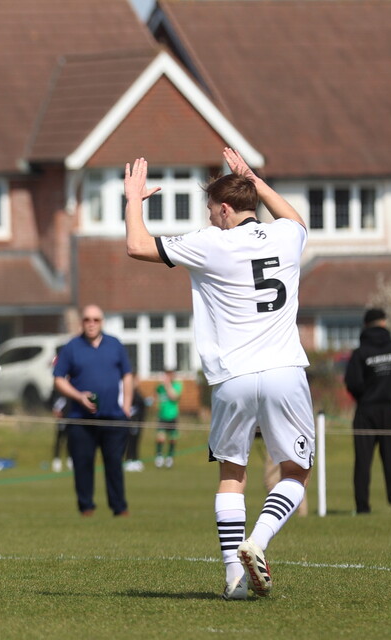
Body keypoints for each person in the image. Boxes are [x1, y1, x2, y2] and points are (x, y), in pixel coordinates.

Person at [125, 148, 315, 601]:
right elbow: (298, 221)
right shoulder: (286, 238)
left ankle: (233, 575)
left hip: (231, 377)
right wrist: (253, 178)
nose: (211, 219)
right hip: (285, 370)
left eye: (212, 211)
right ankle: (260, 541)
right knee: (296, 471)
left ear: (226, 209)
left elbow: (136, 245)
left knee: (232, 473)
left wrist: (134, 199)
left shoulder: (210, 243)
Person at [53, 305, 134, 517]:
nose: (91, 323)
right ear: (82, 322)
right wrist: (78, 396)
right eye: (87, 319)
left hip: (113, 418)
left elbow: (127, 375)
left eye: (96, 319)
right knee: (83, 464)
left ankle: (119, 507)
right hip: (81, 419)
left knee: (114, 464)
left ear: (102, 322)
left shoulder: (114, 345)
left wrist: (126, 406)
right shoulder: (71, 347)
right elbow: (58, 378)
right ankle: (86, 507)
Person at [344, 307, 391, 515]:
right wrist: (388, 393)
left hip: (366, 411)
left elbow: (353, 383)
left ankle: (362, 507)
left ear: (366, 325)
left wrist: (366, 396)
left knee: (363, 461)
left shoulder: (360, 352)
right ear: (384, 322)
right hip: (389, 410)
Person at [153, 370, 182, 468]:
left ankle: (170, 457)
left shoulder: (177, 386)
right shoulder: (160, 387)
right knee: (160, 437)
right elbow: (156, 395)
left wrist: (167, 385)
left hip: (172, 415)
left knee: (172, 438)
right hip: (162, 415)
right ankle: (159, 456)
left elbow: (174, 397)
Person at [124, 388, 148, 472]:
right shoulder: (128, 395)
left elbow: (142, 407)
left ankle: (135, 459)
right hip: (129, 423)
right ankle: (129, 460)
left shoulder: (138, 396)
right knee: (129, 441)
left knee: (135, 440)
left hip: (137, 422)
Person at [50, 393, 70, 473]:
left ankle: (70, 460)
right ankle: (56, 461)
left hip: (70, 420)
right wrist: (56, 411)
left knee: (70, 441)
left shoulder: (70, 396)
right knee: (59, 441)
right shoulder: (59, 396)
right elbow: (55, 407)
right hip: (61, 421)